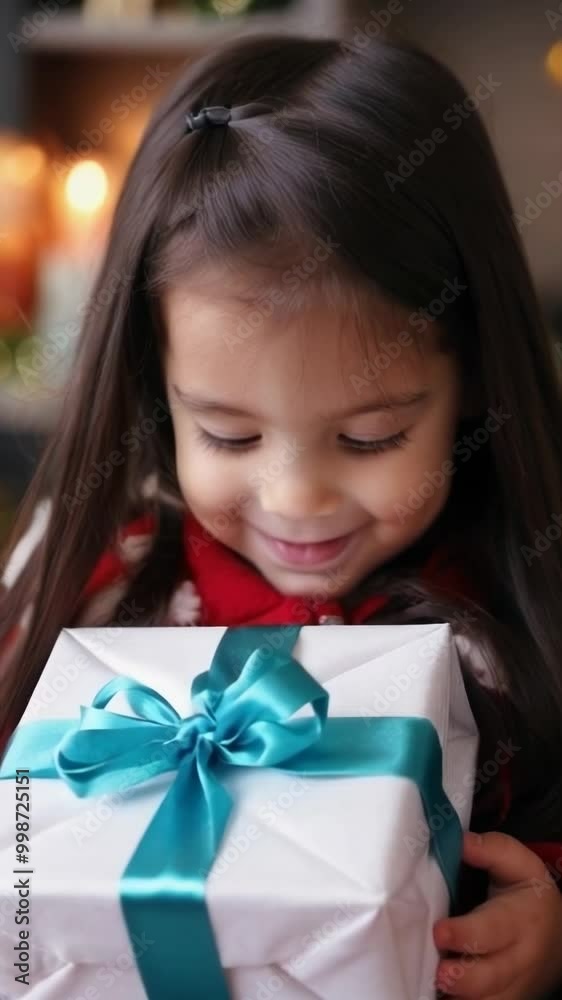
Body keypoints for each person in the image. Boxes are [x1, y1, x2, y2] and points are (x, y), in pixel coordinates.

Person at [1, 31, 562, 999]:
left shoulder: (519, 604)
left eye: (371, 436)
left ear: (469, 377)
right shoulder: (97, 578)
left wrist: (548, 924)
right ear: (155, 383)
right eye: (227, 435)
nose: (296, 500)